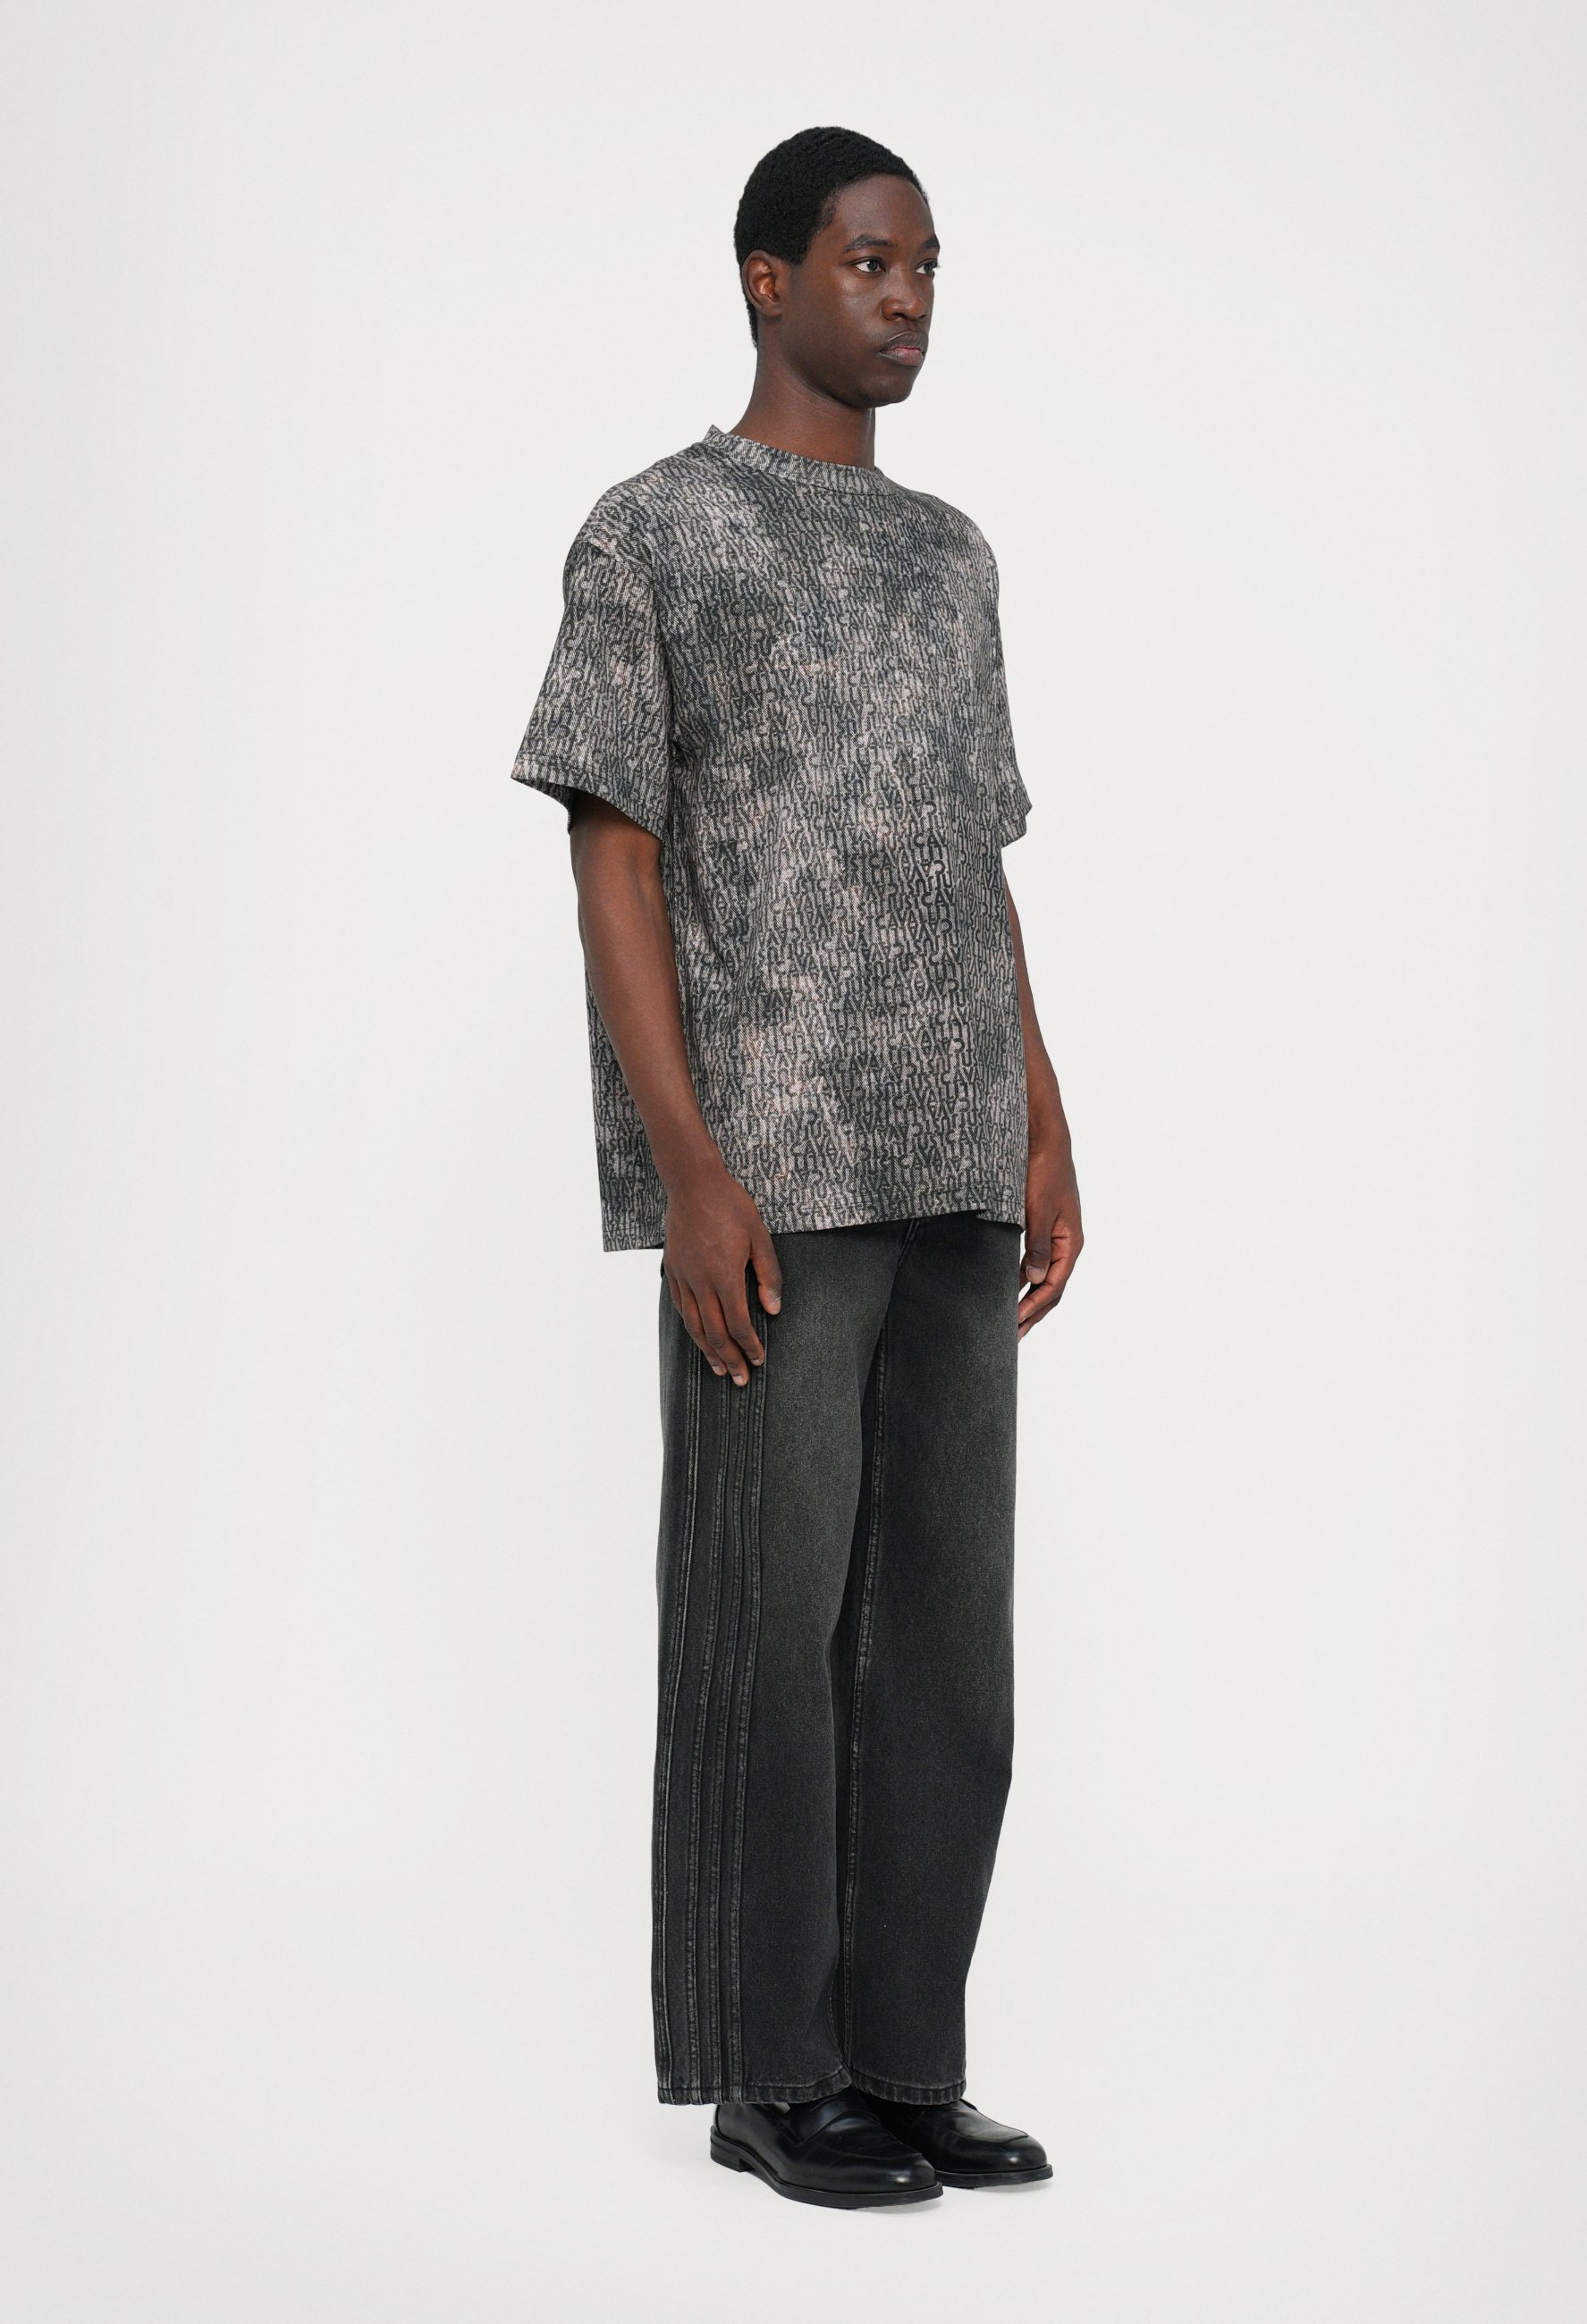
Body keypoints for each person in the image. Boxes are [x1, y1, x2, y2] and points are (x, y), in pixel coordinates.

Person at [511, 125, 1082, 2210]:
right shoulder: (657, 530)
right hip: (771, 1169)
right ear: (768, 278)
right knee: (769, 1629)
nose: (906, 297)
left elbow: (974, 857)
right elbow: (613, 857)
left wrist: (1041, 1114)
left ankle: (905, 2061)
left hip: (949, 1157)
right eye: (868, 261)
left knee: (943, 1644)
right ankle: (771, 2073)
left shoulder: (952, 555)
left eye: (927, 265)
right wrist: (687, 1167)